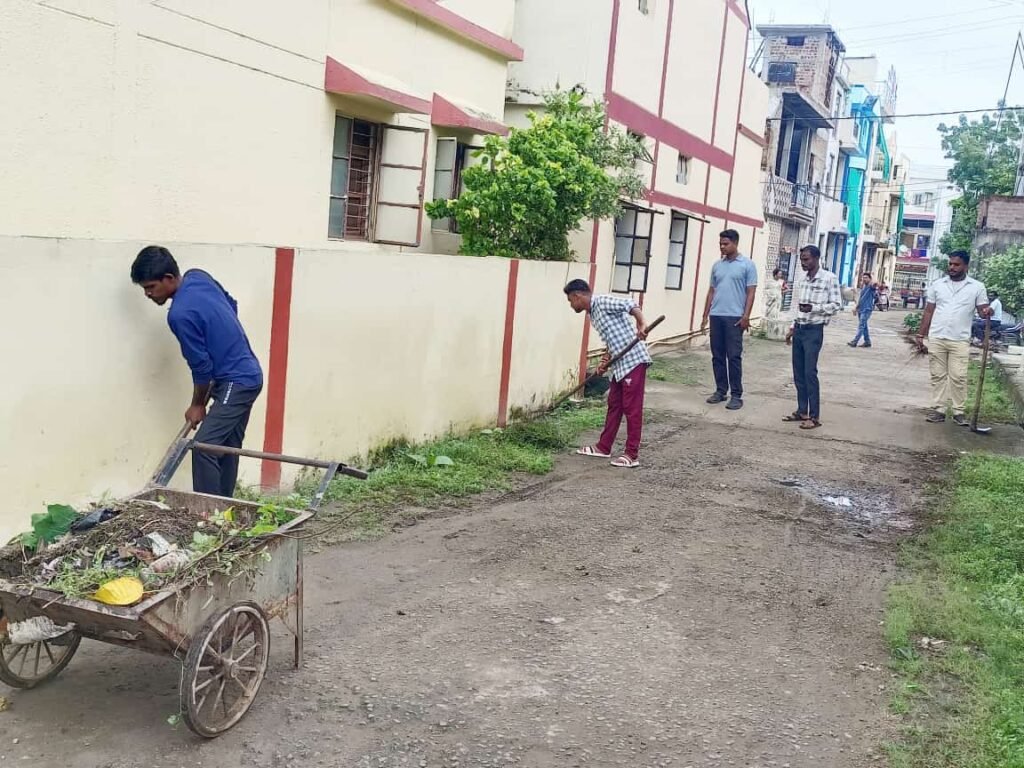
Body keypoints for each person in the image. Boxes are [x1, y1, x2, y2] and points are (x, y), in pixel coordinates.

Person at [131, 246, 264, 496]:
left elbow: (201, 368)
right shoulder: (198, 276)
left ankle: (207, 516)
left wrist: (197, 404)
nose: (148, 294)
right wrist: (224, 343)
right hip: (248, 374)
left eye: (150, 287)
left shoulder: (179, 315)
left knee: (203, 447)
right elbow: (231, 305)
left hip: (237, 381)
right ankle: (225, 513)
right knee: (225, 447)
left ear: (168, 279)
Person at [564, 279, 651, 469]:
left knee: (632, 409)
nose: (572, 306)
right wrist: (604, 362)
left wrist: (642, 323)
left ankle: (631, 454)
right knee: (614, 405)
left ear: (578, 296)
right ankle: (604, 447)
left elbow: (630, 304)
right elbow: (611, 340)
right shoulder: (592, 314)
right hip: (619, 365)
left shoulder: (602, 301)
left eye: (571, 301)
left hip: (634, 361)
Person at [916, 251, 991, 426]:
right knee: (938, 375)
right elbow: (929, 310)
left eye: (956, 265)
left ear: (966, 266)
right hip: (937, 336)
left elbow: (982, 310)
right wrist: (921, 334)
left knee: (958, 376)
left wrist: (987, 311)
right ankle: (938, 410)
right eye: (950, 264)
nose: (952, 267)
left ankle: (959, 412)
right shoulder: (938, 285)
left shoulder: (977, 287)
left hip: (960, 339)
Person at [783, 245, 842, 431]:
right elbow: (798, 306)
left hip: (814, 331)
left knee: (809, 373)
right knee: (798, 373)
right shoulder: (803, 279)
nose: (803, 262)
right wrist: (793, 327)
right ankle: (802, 410)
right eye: (801, 259)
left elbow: (837, 305)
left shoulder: (829, 279)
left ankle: (814, 416)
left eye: (807, 259)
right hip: (800, 328)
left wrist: (814, 308)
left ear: (817, 258)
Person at [700, 229, 758, 410]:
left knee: (733, 357)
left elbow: (751, 292)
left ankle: (736, 395)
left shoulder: (747, 265)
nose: (722, 247)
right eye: (720, 244)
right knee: (717, 356)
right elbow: (711, 291)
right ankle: (720, 391)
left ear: (735, 243)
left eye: (726, 244)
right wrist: (705, 315)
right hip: (716, 315)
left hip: (735, 318)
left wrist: (746, 316)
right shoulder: (717, 265)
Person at [848, 272, 878, 349]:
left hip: (867, 309)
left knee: (861, 326)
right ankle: (867, 342)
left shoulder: (871, 286)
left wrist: (873, 276)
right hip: (861, 309)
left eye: (866, 277)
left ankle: (855, 341)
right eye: (863, 277)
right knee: (864, 326)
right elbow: (861, 299)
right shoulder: (864, 287)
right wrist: (856, 308)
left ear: (870, 279)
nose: (864, 279)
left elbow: (875, 283)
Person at [763, 268, 788, 341]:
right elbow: (766, 290)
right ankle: (767, 330)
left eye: (781, 274)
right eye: (779, 274)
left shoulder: (781, 282)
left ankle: (773, 331)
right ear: (775, 274)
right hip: (771, 300)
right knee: (770, 313)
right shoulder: (770, 282)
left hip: (778, 300)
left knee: (776, 314)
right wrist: (770, 295)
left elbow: (787, 288)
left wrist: (781, 292)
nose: (780, 275)